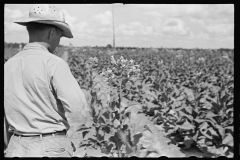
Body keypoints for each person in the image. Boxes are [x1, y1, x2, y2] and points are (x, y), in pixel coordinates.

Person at [4, 4, 92, 157]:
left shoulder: (8, 65)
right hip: (50, 146)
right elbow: (79, 111)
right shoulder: (54, 63)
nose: (58, 42)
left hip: (15, 147)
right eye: (60, 36)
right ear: (52, 33)